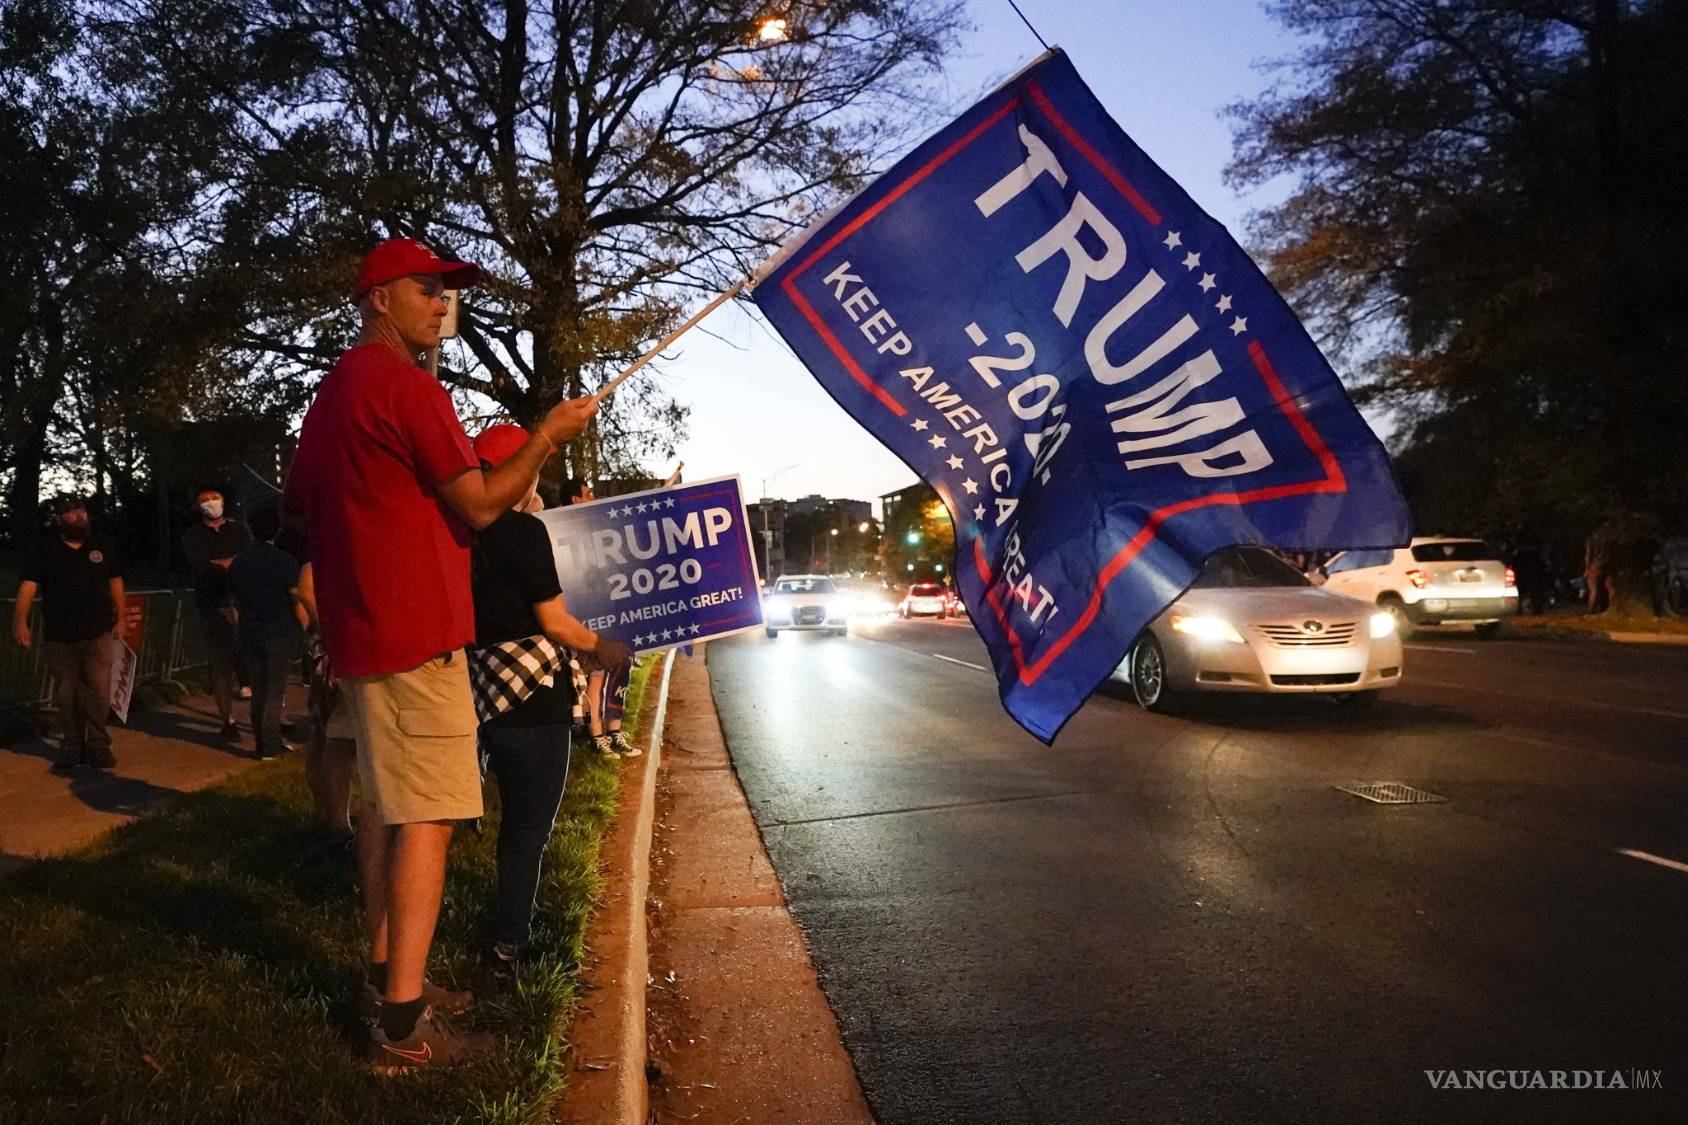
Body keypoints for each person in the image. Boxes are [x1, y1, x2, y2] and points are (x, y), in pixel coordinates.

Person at [282, 236, 597, 1071]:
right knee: (429, 816)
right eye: (426, 289)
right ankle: (400, 1025)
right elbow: (485, 501)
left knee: (388, 808)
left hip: (361, 634)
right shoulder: (410, 388)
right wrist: (546, 434)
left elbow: (304, 496)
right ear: (377, 298)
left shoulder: (335, 391)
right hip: (416, 633)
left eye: (448, 292)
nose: (442, 303)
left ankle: (391, 975)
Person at [466, 425, 631, 973]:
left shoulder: (459, 534)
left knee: (511, 820)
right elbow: (554, 621)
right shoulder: (523, 532)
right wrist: (601, 645)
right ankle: (511, 941)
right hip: (535, 696)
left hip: (486, 690)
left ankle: (511, 924)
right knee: (527, 827)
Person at [12, 496, 125, 772]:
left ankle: (98, 745)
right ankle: (72, 744)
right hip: (59, 635)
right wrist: (20, 621)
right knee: (66, 693)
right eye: (72, 513)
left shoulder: (103, 545)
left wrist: (120, 618)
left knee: (98, 691)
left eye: (82, 511)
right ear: (60, 519)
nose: (79, 516)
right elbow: (29, 585)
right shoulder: (45, 549)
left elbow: (116, 581)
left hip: (97, 631)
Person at [560, 478, 642, 759]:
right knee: (595, 678)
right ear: (575, 500)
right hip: (587, 621)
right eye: (588, 493)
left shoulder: (598, 530)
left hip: (610, 616)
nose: (593, 496)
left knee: (617, 671)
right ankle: (597, 735)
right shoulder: (567, 534)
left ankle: (614, 732)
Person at [226, 507, 305, 760]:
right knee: (274, 690)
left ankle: (263, 741)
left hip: (250, 630)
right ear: (277, 530)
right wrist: (304, 626)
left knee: (259, 689)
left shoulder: (239, 561)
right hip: (279, 631)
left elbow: (234, 599)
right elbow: (296, 597)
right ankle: (269, 745)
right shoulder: (285, 560)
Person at [181, 486, 253, 739]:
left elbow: (248, 559)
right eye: (206, 500)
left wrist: (224, 563)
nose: (212, 503)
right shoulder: (193, 535)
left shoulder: (238, 530)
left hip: (244, 602)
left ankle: (265, 718)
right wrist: (228, 563)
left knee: (253, 659)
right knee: (220, 663)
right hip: (211, 604)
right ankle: (228, 721)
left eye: (215, 498)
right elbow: (201, 564)